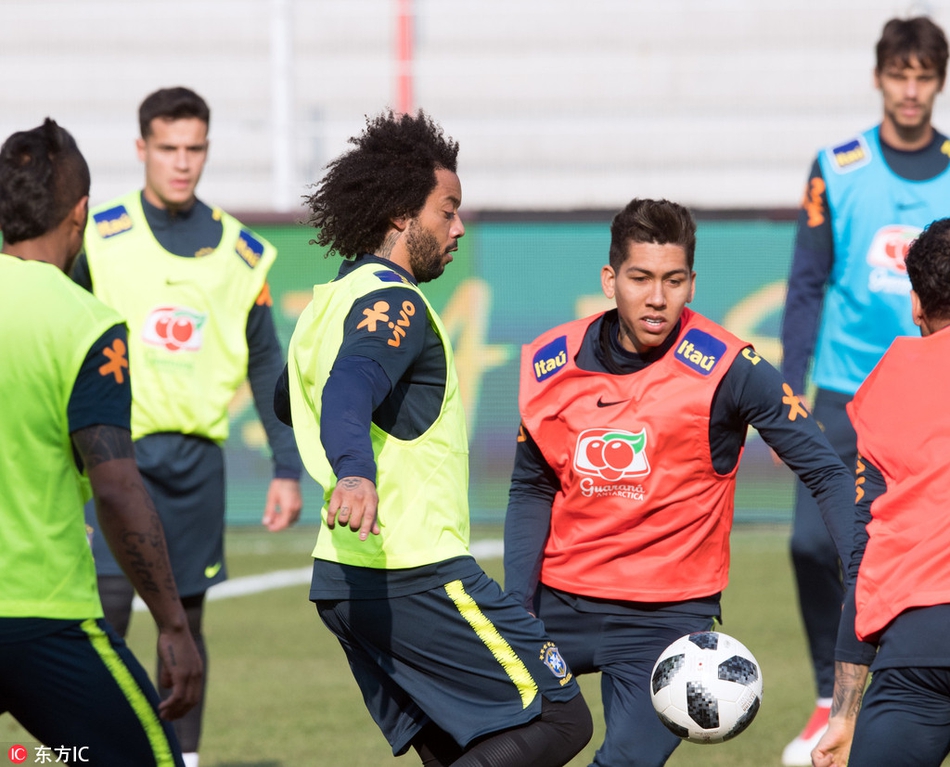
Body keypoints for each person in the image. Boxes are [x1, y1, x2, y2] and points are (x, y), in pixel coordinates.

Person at [278, 109, 593, 767]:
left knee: (458, 748)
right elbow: (351, 384)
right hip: (413, 569)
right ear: (400, 216)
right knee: (559, 716)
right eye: (446, 211)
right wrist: (355, 470)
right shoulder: (395, 302)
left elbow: (290, 398)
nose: (458, 227)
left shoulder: (327, 303)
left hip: (345, 577)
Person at [504, 198, 856, 767]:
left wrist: (862, 571)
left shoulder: (730, 368)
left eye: (673, 280)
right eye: (640, 278)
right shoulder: (551, 361)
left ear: (692, 284)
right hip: (556, 604)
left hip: (665, 621)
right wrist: (518, 608)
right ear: (610, 280)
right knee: (472, 730)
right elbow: (531, 488)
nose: (657, 297)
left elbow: (825, 470)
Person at [71, 86, 303, 767]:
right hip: (112, 457)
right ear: (141, 148)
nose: (181, 162)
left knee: (186, 628)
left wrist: (286, 466)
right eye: (167, 147)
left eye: (193, 148)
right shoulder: (98, 237)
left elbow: (266, 362)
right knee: (105, 620)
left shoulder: (242, 254)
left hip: (197, 466)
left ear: (207, 150)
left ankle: (184, 760)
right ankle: (89, 754)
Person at [0, 118, 203, 765]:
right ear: (80, 212)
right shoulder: (88, 323)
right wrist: (172, 623)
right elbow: (115, 488)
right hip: (43, 615)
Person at [779, 16, 950, 763]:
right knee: (813, 541)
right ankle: (832, 693)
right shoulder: (837, 166)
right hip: (848, 388)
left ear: (938, 82)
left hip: (934, 388)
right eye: (899, 75)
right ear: (879, 78)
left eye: (924, 76)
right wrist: (789, 388)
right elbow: (806, 283)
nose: (911, 91)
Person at [811, 217, 950, 767]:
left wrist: (844, 714)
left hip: (915, 650)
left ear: (916, 303)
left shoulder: (888, 383)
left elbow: (864, 551)